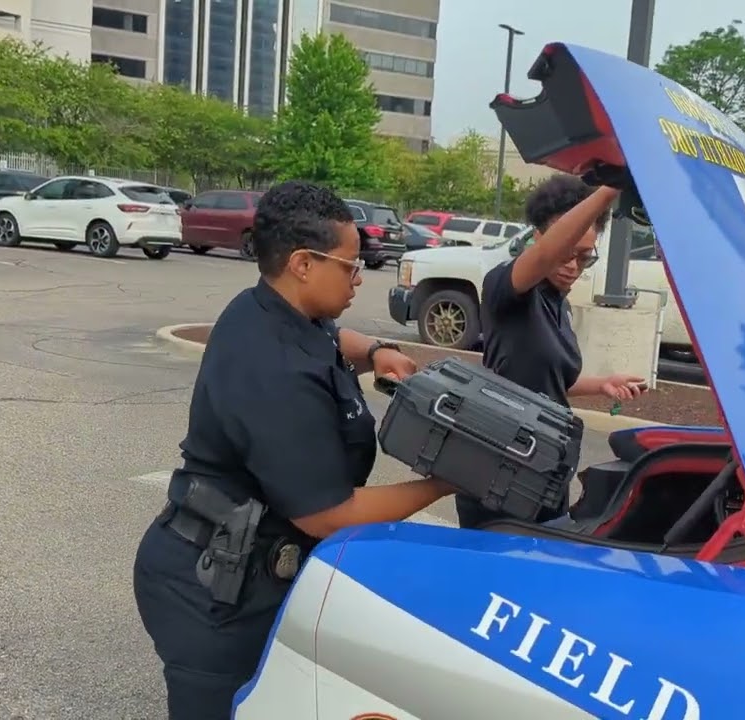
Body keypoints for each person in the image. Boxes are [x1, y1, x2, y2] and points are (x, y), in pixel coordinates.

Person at [132, 180, 457, 720]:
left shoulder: (282, 310)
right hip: (211, 591)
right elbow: (329, 516)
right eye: (351, 266)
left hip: (253, 569)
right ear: (304, 263)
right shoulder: (272, 368)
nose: (359, 277)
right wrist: (445, 481)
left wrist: (378, 351)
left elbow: (333, 339)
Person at [455, 174, 649, 530]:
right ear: (538, 237)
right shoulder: (507, 289)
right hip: (501, 472)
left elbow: (546, 381)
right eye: (566, 252)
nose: (572, 266)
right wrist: (610, 187)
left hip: (544, 468)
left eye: (584, 257)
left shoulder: (558, 304)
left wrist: (602, 384)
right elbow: (545, 256)